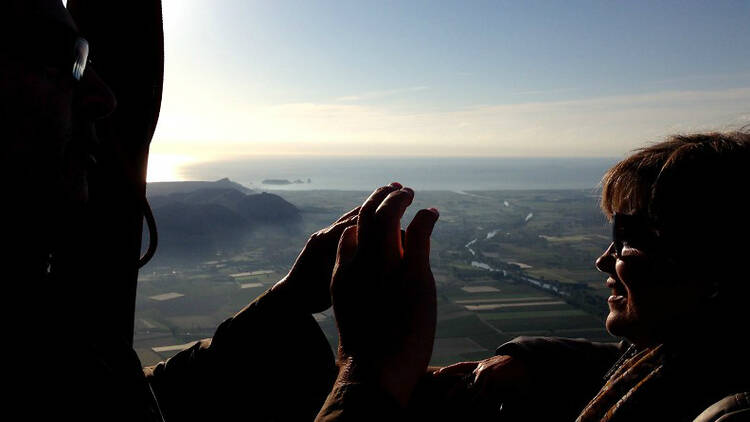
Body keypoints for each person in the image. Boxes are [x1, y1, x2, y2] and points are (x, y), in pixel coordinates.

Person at [2, 1, 437, 420]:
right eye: (67, 59)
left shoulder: (38, 319)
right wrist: (369, 375)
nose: (104, 97)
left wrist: (289, 298)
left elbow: (140, 398)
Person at [319, 131, 750, 421]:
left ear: (716, 260)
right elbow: (613, 362)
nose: (604, 260)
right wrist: (532, 356)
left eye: (630, 237)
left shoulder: (732, 412)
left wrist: (364, 370)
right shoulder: (685, 357)